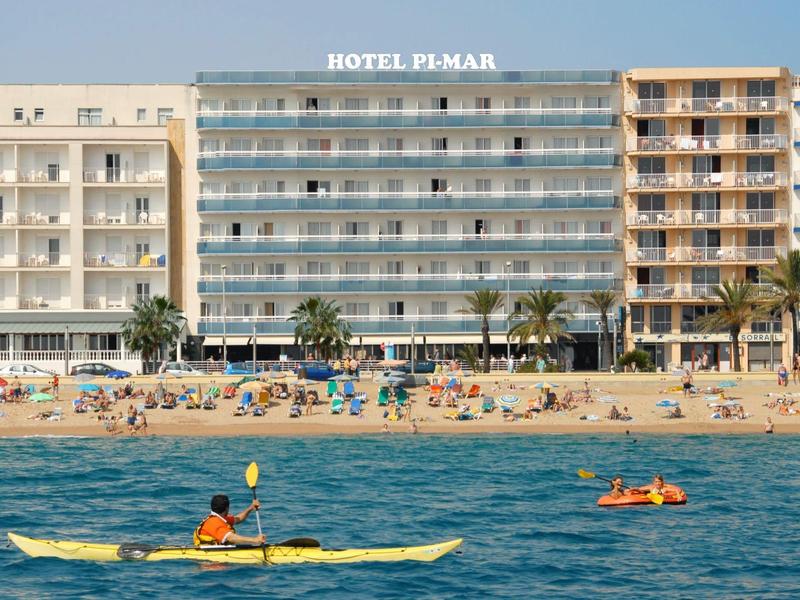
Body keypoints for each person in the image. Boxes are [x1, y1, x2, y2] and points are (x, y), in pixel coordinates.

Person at [194, 495, 265, 546]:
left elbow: (238, 519)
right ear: (227, 508)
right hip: (210, 562)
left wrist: (250, 508)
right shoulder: (213, 522)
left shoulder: (221, 518)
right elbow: (230, 538)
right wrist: (255, 540)